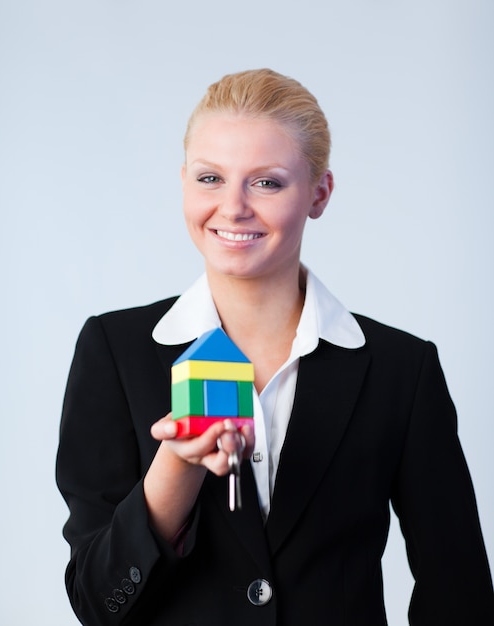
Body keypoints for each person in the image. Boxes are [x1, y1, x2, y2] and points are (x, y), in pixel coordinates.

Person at [56, 68, 494, 625]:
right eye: (210, 178)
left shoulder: (400, 371)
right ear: (183, 183)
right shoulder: (114, 351)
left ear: (319, 193)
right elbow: (97, 604)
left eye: (266, 182)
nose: (233, 206)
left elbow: (459, 591)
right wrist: (177, 466)